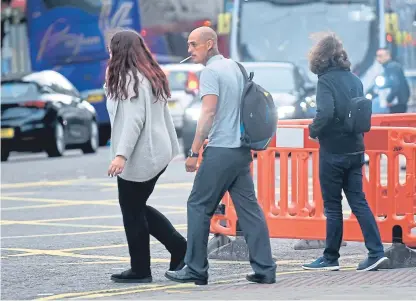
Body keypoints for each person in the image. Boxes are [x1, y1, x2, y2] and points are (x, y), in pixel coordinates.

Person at [164, 26, 276, 285]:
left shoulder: (211, 72)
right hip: (241, 149)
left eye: (194, 45)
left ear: (210, 44)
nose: (189, 50)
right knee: (250, 210)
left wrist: (193, 151)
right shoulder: (235, 67)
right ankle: (265, 268)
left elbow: (208, 113)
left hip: (221, 150)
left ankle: (195, 268)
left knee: (198, 205)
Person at [105, 29, 187, 283]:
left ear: (119, 50)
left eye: (111, 47)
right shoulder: (148, 74)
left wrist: (121, 155)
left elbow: (133, 121)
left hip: (142, 153)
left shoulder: (131, 80)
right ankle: (179, 249)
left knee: (132, 210)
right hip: (155, 150)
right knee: (135, 207)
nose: (108, 52)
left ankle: (142, 268)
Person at [301, 32, 388, 272]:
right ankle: (376, 252)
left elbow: (326, 112)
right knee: (359, 201)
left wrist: (313, 130)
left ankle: (330, 258)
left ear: (319, 57)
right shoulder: (354, 78)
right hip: (356, 148)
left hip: (333, 150)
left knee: (332, 206)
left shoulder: (325, 81)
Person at [375, 48, 410, 113]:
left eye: (380, 56)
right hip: (399, 101)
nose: (378, 58)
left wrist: (388, 99)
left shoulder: (391, 67)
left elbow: (395, 85)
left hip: (397, 102)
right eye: (377, 56)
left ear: (388, 56)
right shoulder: (391, 66)